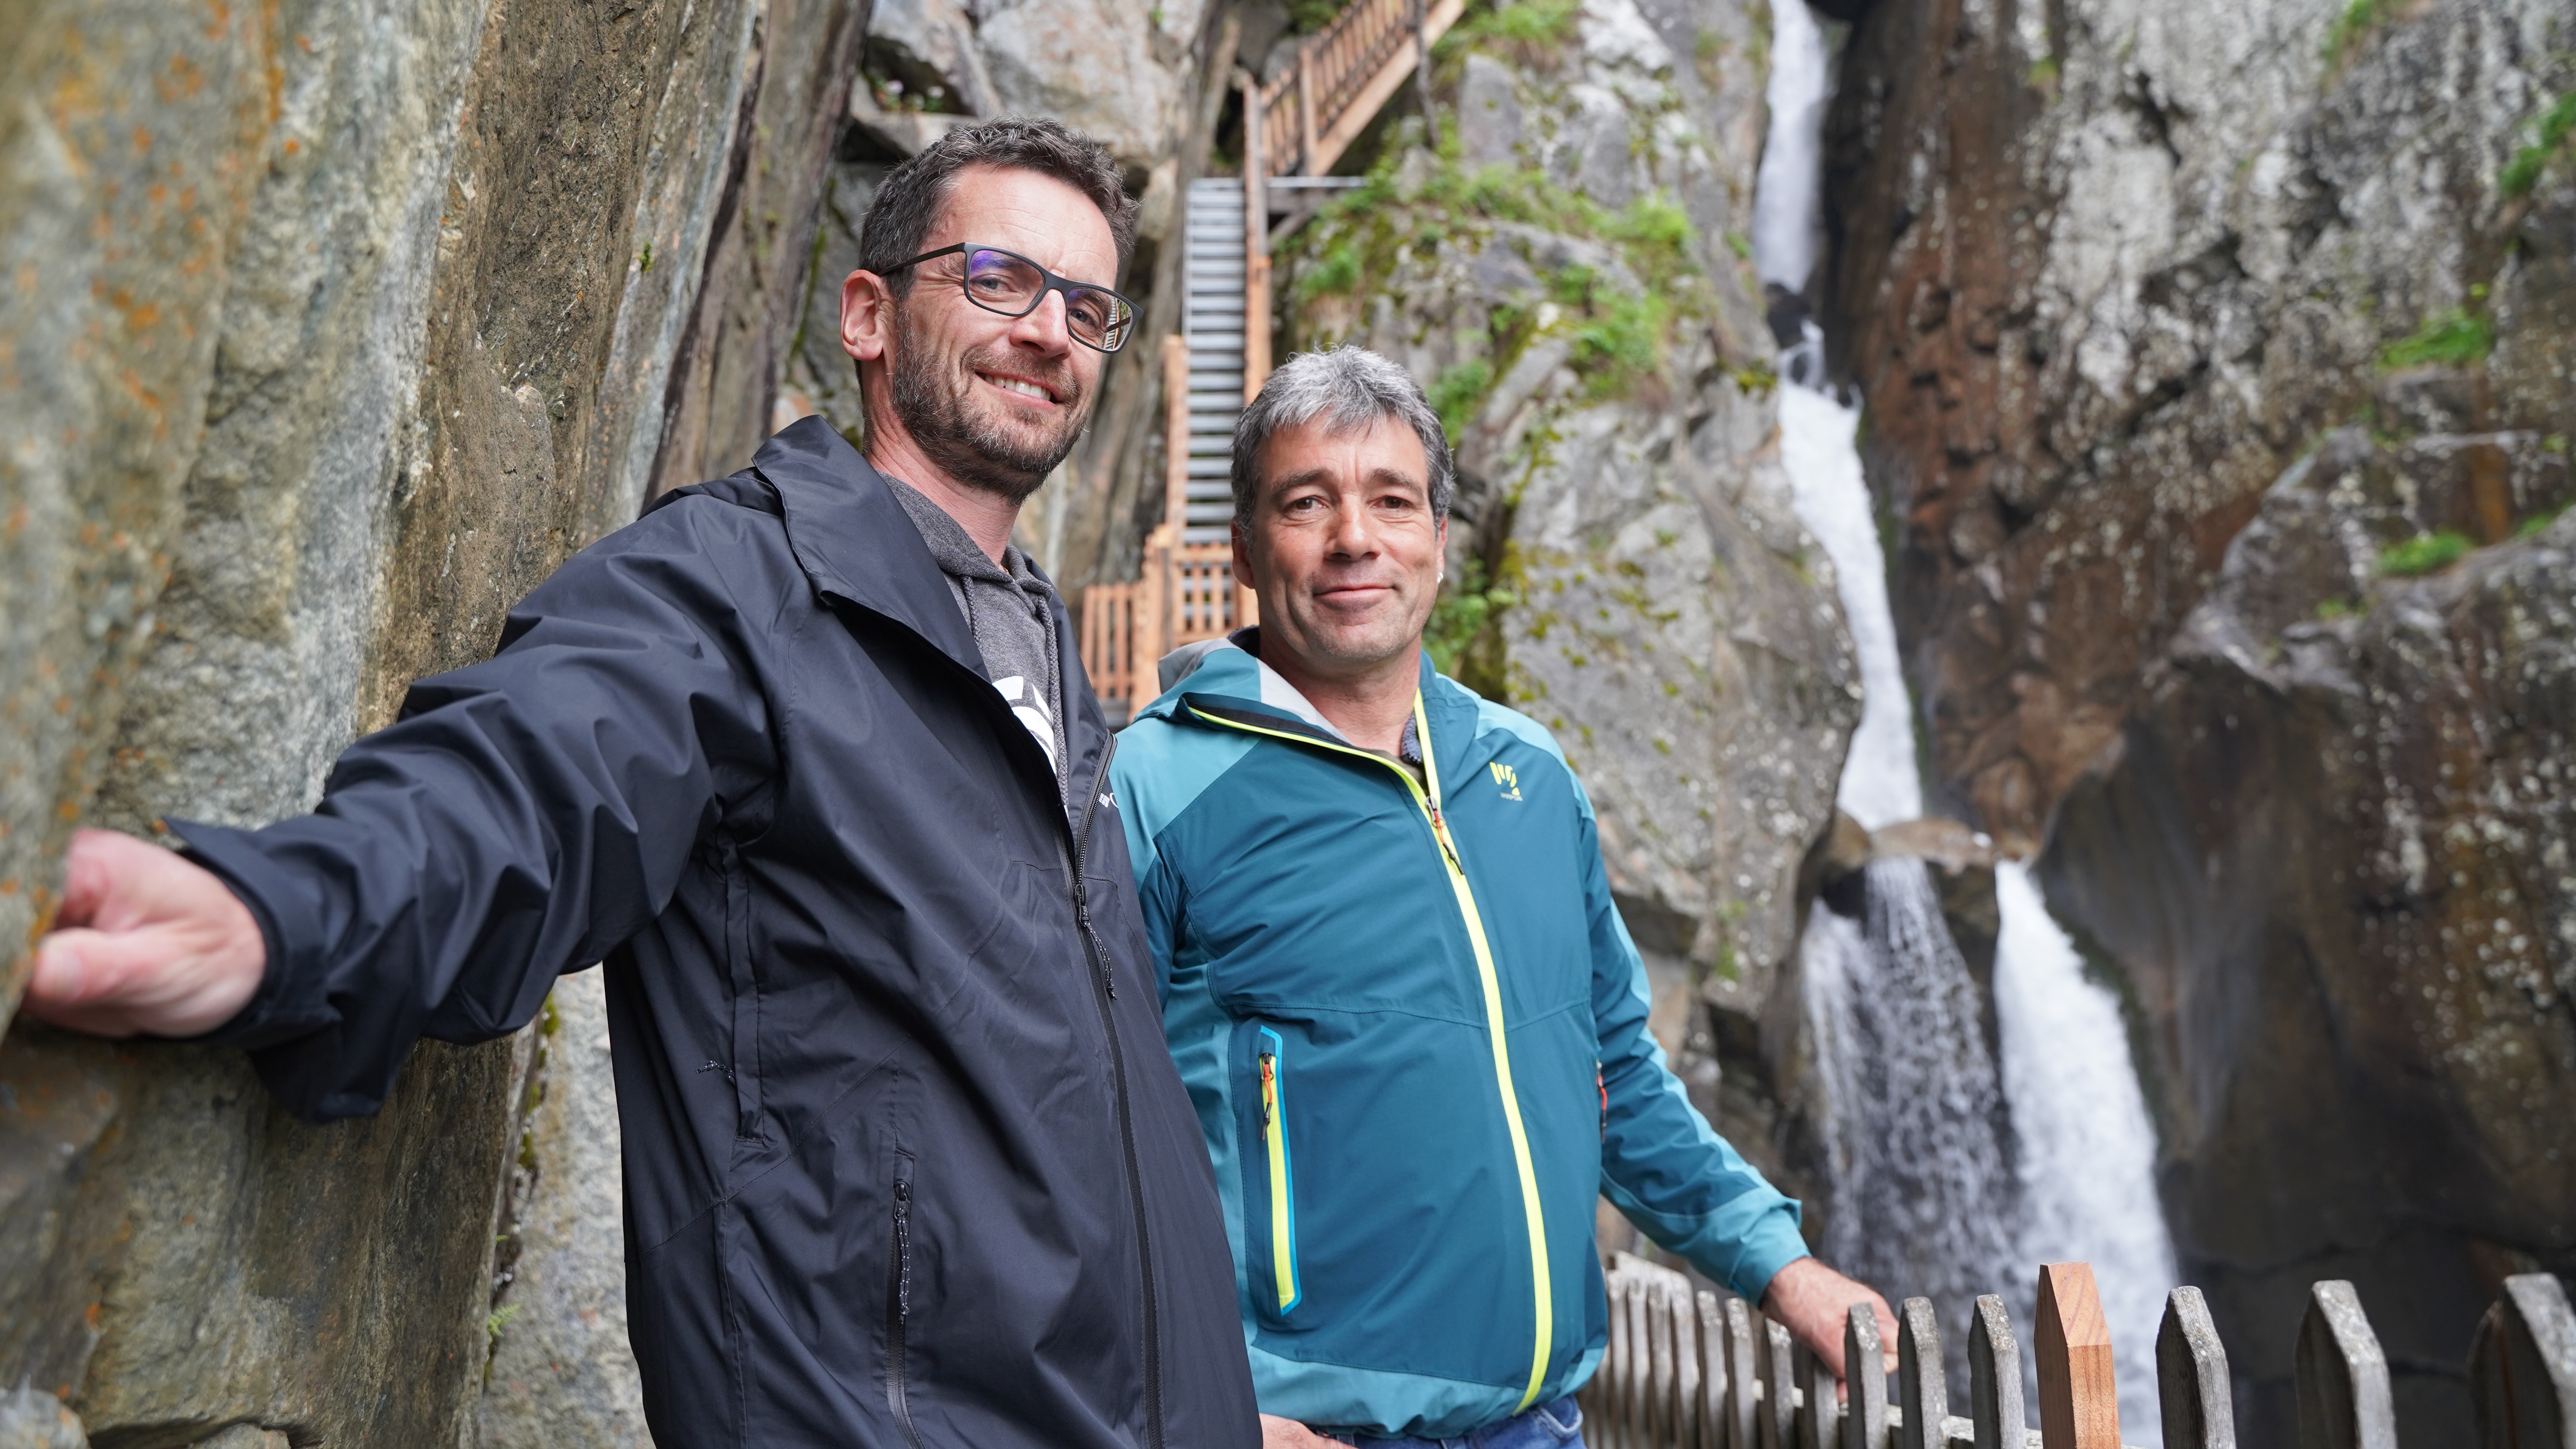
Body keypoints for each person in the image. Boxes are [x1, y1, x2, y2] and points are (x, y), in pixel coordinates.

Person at [22, 117, 1261, 1449]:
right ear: (867, 314)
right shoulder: (740, 583)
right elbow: (540, 776)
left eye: (1088, 306)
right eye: (1000, 279)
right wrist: (283, 917)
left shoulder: (1050, 657)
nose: (1050, 332)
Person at [1108, 347, 1896, 1449]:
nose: (1354, 537)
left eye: (1393, 500)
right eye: (1306, 502)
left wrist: (1781, 1263)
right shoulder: (1153, 788)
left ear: (1440, 540)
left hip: (1542, 1427)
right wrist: (1197, 1413)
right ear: (1244, 546)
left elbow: (1615, 1072)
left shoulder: (1528, 773)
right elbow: (1071, 1146)